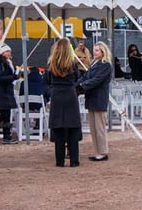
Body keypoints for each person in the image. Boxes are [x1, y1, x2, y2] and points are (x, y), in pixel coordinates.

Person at [46, 38, 83, 168]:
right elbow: (78, 77)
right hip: (70, 95)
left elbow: (47, 80)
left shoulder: (51, 63)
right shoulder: (72, 64)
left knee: (58, 128)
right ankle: (74, 160)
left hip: (57, 95)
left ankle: (59, 160)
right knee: (72, 128)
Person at [80, 41, 114, 162]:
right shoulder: (94, 63)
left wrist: (82, 86)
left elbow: (96, 80)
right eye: (94, 50)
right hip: (91, 99)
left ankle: (103, 151)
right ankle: (97, 151)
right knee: (93, 128)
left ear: (103, 52)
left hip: (99, 99)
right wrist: (78, 84)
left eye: (97, 50)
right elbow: (86, 77)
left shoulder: (106, 65)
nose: (95, 52)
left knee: (100, 128)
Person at [0, 45, 19, 143]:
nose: (9, 53)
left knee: (6, 115)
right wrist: (12, 77)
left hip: (6, 91)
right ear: (2, 52)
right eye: (7, 51)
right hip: (1, 92)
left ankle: (7, 135)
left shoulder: (8, 62)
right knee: (4, 115)